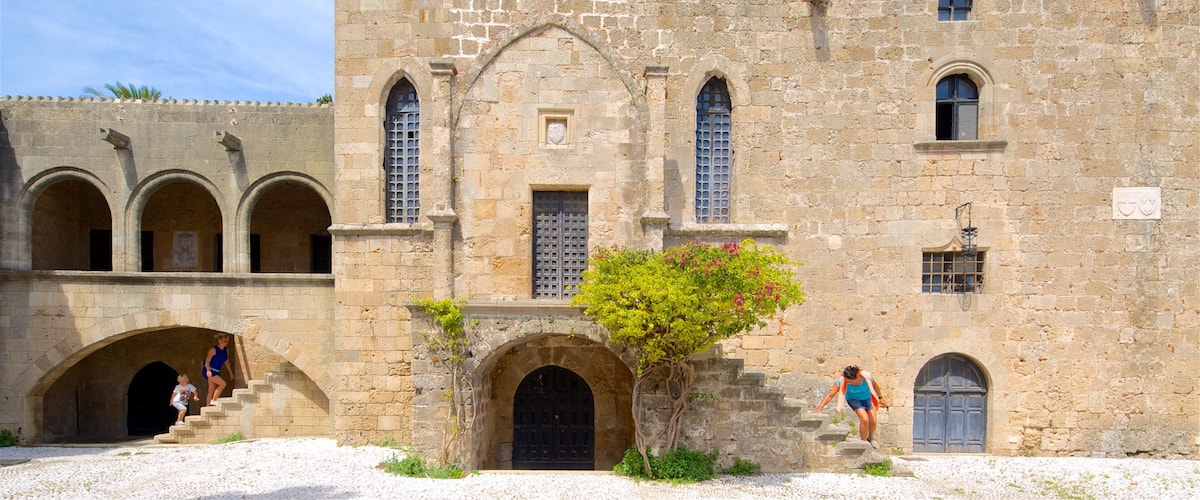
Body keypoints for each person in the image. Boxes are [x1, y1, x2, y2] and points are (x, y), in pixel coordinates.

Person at [810, 365, 888, 449]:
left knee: (873, 421)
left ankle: (871, 438)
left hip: (867, 398)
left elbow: (876, 386)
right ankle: (864, 443)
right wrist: (819, 408)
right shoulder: (842, 380)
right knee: (865, 419)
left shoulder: (866, 377)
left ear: (857, 376)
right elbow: (830, 395)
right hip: (853, 400)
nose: (848, 383)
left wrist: (880, 398)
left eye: (850, 382)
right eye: (847, 381)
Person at [203, 334, 234, 405]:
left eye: (227, 341)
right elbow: (207, 361)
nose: (226, 343)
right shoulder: (213, 349)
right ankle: (214, 400)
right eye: (225, 341)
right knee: (223, 384)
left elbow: (227, 362)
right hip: (210, 371)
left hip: (216, 371)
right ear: (219, 340)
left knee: (211, 390)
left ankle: (207, 408)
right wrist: (208, 370)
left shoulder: (226, 350)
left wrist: (230, 373)